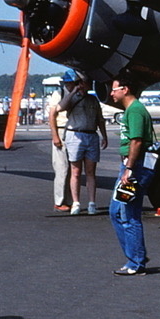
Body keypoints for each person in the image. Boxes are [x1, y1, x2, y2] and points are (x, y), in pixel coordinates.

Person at [109, 73, 155, 276]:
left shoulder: (135, 111)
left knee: (128, 215)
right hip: (130, 166)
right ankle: (136, 254)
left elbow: (136, 141)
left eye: (114, 89)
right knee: (116, 212)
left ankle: (135, 262)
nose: (111, 93)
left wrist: (129, 168)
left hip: (134, 167)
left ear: (125, 89)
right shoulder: (131, 110)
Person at [54, 71, 108, 215]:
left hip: (91, 135)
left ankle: (92, 203)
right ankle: (76, 202)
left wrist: (104, 136)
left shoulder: (93, 100)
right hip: (75, 134)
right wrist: (74, 92)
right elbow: (59, 108)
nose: (84, 85)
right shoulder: (71, 98)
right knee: (75, 172)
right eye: (81, 83)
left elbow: (100, 119)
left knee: (90, 172)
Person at [44, 79, 72, 211]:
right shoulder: (58, 94)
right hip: (61, 129)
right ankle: (59, 201)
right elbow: (52, 115)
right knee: (62, 167)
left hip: (73, 130)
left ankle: (69, 200)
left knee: (72, 169)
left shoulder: (77, 93)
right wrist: (55, 135)